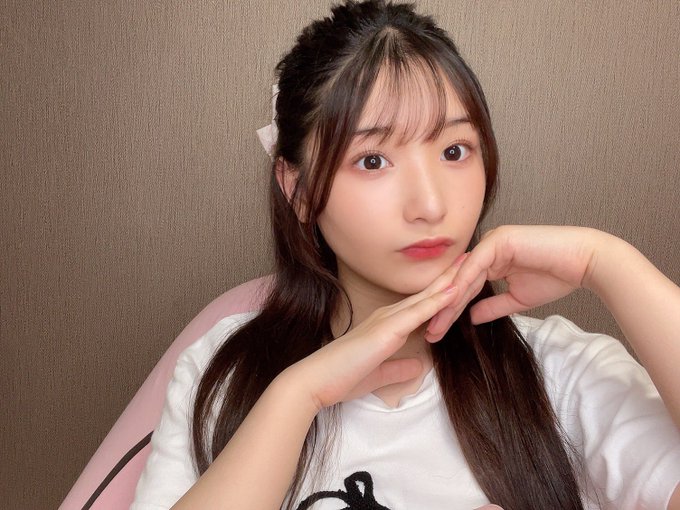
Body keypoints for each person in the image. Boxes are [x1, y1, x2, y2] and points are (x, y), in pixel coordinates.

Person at [131, 1, 680, 509]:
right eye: (372, 161)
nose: (430, 204)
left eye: (454, 150)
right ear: (297, 189)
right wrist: (297, 396)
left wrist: (605, 263)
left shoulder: (561, 372)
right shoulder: (223, 370)